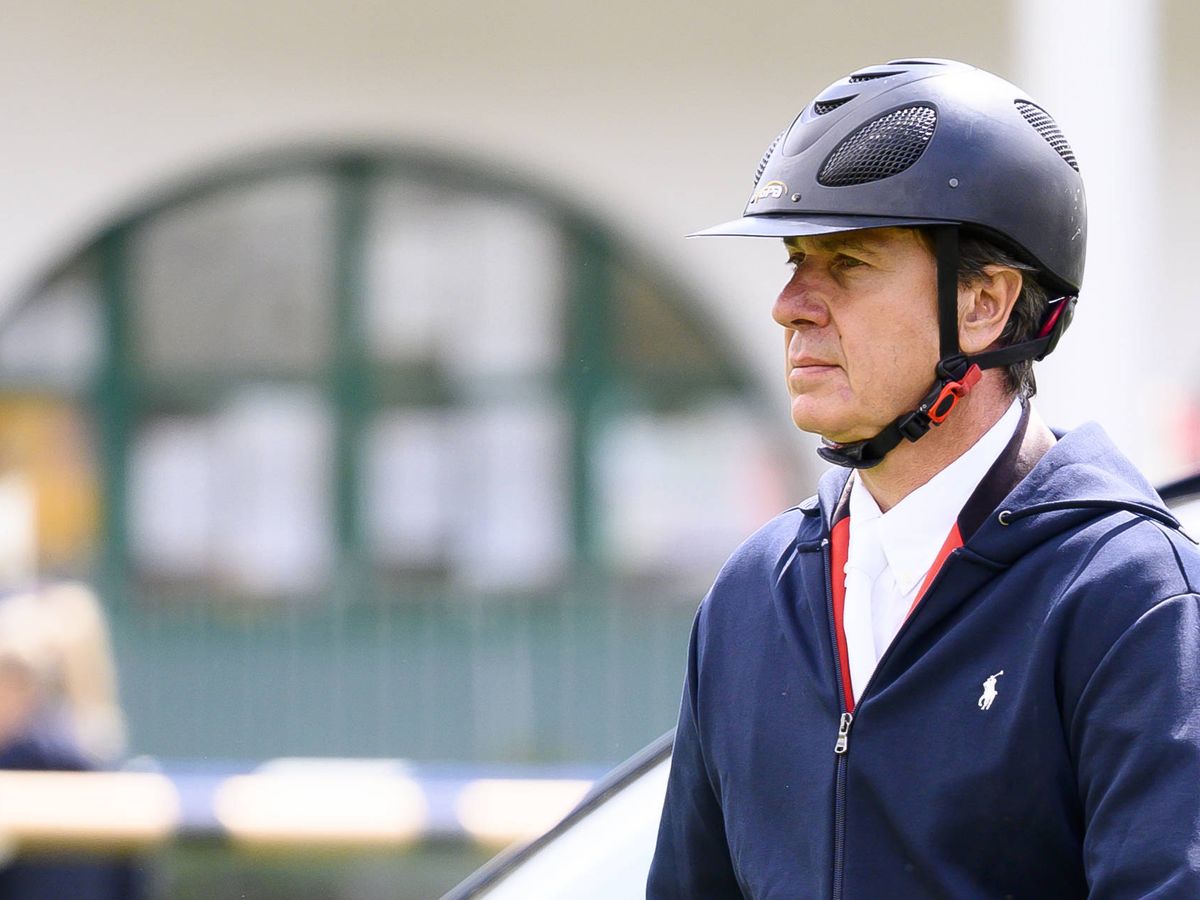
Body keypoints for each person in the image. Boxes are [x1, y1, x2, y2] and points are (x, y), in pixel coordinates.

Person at [648, 58, 1200, 898]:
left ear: (983, 304)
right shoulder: (751, 596)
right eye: (794, 260)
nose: (790, 304)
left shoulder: (1132, 599)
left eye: (848, 262)